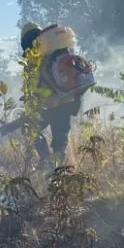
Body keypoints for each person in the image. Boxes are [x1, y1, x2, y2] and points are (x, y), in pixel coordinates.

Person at [20, 22, 84, 166]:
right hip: (67, 103)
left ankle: (46, 162)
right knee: (60, 142)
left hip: (49, 105)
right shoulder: (57, 50)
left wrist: (29, 97)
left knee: (31, 129)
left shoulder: (33, 56)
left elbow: (33, 85)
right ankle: (58, 173)